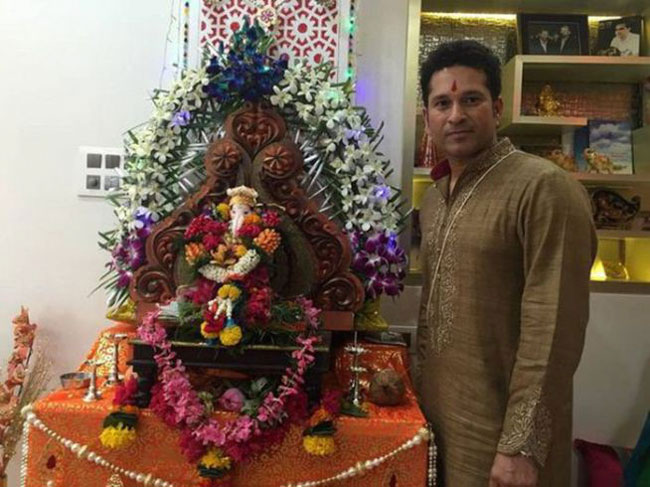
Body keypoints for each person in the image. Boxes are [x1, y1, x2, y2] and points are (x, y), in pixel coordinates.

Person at [415, 40, 597, 487]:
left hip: (501, 441)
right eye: (442, 103)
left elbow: (553, 329)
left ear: (497, 108)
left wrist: (521, 446)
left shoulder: (544, 188)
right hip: (437, 424)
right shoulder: (434, 199)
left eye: (470, 99)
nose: (456, 115)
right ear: (427, 118)